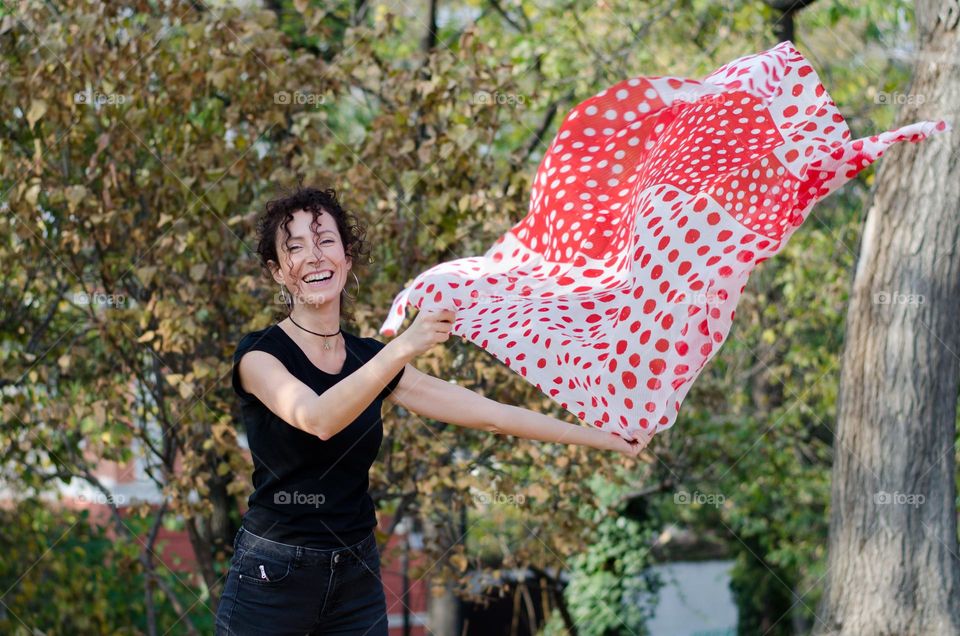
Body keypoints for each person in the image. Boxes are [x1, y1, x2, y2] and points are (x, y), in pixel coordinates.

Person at [214, 186, 650, 635]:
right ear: (278, 272)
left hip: (355, 575)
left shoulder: (369, 357)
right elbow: (319, 419)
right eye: (295, 247)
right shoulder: (260, 355)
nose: (314, 256)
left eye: (326, 240)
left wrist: (605, 437)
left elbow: (491, 415)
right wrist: (404, 346)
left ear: (347, 258)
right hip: (274, 575)